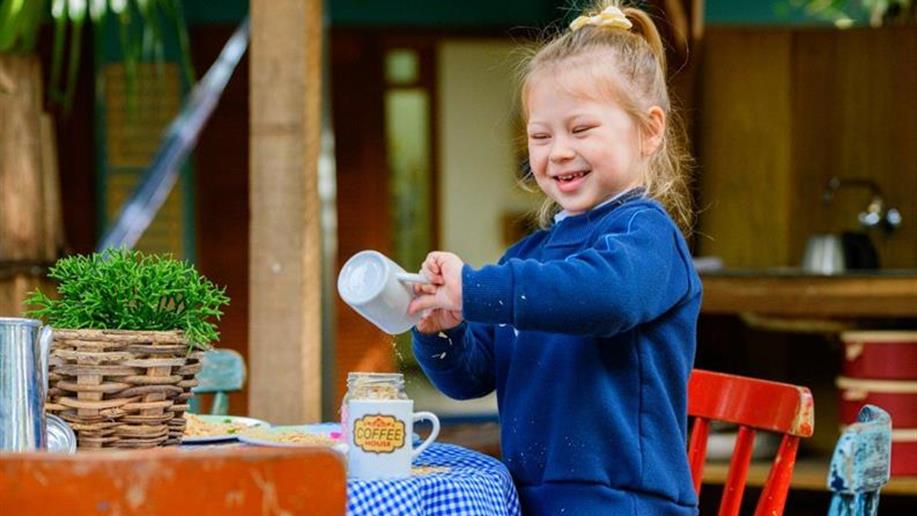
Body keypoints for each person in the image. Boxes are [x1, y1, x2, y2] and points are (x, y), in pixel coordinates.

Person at [408, 1, 701, 514]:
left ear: (649, 130)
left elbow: (604, 298)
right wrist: (443, 331)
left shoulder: (647, 235)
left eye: (581, 129)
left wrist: (476, 288)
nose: (558, 151)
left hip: (623, 501)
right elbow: (470, 378)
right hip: (531, 495)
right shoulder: (529, 255)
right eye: (541, 136)